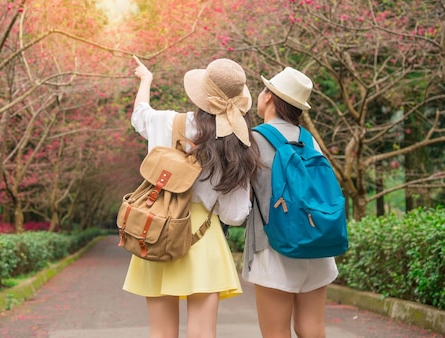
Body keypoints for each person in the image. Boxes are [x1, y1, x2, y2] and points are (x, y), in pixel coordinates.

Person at [123, 56, 259, 338]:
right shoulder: (234, 143)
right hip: (201, 236)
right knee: (202, 334)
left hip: (158, 229)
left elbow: (140, 115)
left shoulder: (166, 121)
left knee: (161, 333)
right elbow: (234, 216)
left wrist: (146, 79)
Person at [242, 67, 339, 338]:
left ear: (270, 97)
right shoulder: (309, 142)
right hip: (317, 244)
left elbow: (240, 204)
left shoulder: (253, 140)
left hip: (274, 248)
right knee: (312, 329)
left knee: (276, 332)